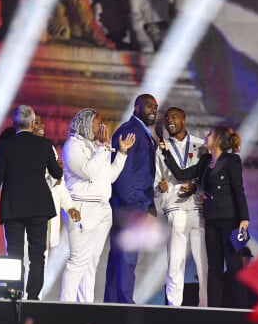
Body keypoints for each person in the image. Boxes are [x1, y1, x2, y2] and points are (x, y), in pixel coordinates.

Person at [0, 116, 80, 299]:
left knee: (38, 257)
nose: (42, 125)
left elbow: (57, 182)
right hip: (17, 212)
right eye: (37, 122)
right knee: (17, 257)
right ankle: (16, 294)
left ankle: (35, 298)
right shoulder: (10, 150)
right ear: (29, 125)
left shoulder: (45, 147)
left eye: (42, 122)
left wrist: (69, 205)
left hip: (38, 211)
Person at [0, 105, 63, 300]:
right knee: (38, 255)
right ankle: (33, 297)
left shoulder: (5, 146)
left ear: (14, 124)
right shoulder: (45, 145)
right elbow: (56, 173)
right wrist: (58, 167)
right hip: (39, 207)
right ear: (32, 124)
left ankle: (15, 293)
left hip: (13, 207)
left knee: (14, 254)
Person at [160, 126, 250, 308]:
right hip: (210, 220)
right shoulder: (205, 161)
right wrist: (167, 154)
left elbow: (238, 189)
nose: (205, 137)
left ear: (217, 139)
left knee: (234, 265)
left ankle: (242, 308)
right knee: (213, 268)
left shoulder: (232, 160)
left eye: (209, 134)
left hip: (230, 219)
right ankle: (213, 309)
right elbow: (182, 174)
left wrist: (244, 218)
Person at [60, 108, 136, 302]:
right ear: (85, 123)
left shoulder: (97, 147)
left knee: (91, 262)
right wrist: (104, 147)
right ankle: (65, 307)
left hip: (102, 208)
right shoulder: (72, 146)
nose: (101, 127)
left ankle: (85, 306)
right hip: (82, 207)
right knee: (78, 261)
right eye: (97, 122)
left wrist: (121, 153)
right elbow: (87, 172)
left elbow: (109, 177)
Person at [104, 94, 159, 304]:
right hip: (128, 205)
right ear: (136, 108)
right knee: (127, 256)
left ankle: (112, 301)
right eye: (148, 106)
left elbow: (143, 173)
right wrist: (132, 205)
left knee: (120, 256)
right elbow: (123, 174)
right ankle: (125, 302)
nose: (153, 109)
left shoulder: (142, 133)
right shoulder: (129, 131)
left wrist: (150, 206)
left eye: (155, 106)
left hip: (135, 203)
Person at [155, 107, 208, 307]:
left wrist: (196, 186)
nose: (170, 121)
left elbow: (205, 176)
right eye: (167, 118)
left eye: (174, 117)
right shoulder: (160, 149)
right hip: (175, 208)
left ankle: (206, 307)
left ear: (184, 120)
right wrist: (159, 188)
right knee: (175, 263)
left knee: (203, 263)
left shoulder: (200, 145)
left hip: (197, 208)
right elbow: (155, 183)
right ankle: (174, 308)